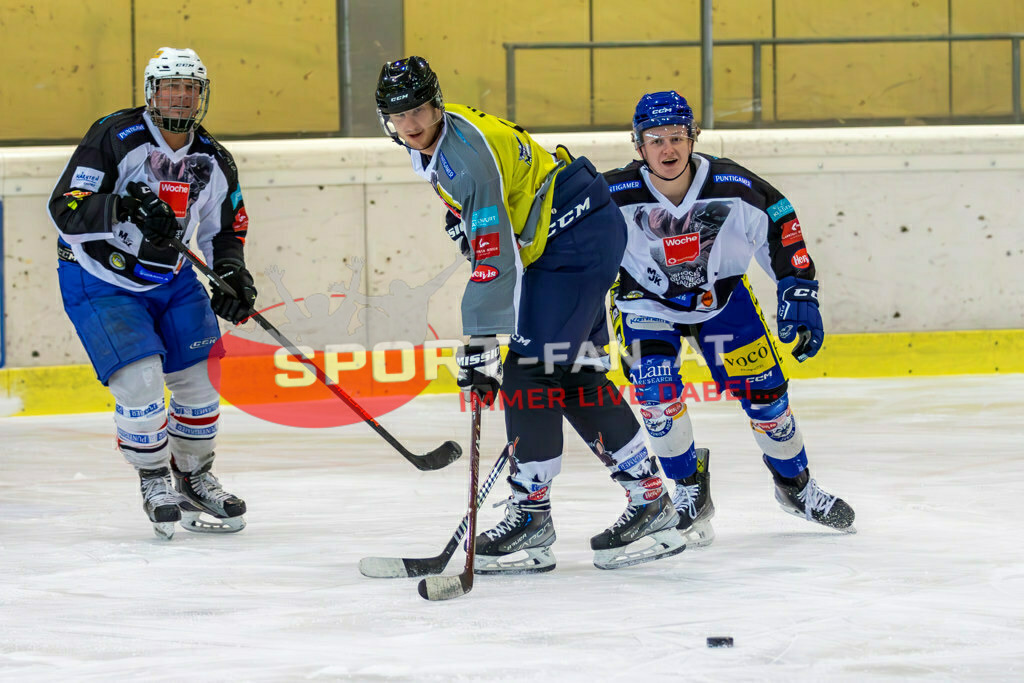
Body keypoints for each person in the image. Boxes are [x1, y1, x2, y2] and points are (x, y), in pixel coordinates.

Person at [375, 56, 685, 572]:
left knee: (529, 370)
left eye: (421, 110)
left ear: (437, 103)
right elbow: (496, 208)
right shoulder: (437, 142)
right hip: (577, 230)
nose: (412, 124)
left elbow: (497, 255)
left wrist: (480, 340)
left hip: (572, 241)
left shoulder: (463, 154)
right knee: (576, 373)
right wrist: (467, 226)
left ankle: (530, 515)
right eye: (400, 115)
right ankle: (651, 498)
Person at [605, 91, 855, 546]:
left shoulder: (733, 184)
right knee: (656, 396)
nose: (668, 149)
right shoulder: (611, 195)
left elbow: (781, 221)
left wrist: (797, 287)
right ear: (638, 145)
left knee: (768, 402)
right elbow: (568, 244)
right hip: (645, 305)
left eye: (677, 137)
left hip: (722, 300)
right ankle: (687, 490)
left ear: (694, 137)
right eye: (655, 139)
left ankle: (795, 488)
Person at [47, 47, 256, 540]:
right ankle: (154, 478)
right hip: (101, 277)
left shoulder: (214, 158)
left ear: (201, 95)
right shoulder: (115, 137)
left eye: (190, 87)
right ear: (151, 91)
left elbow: (225, 228)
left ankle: (194, 476)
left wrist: (231, 273)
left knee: (201, 385)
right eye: (170, 86)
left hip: (172, 279)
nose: (180, 96)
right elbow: (66, 206)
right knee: (141, 384)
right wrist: (123, 208)